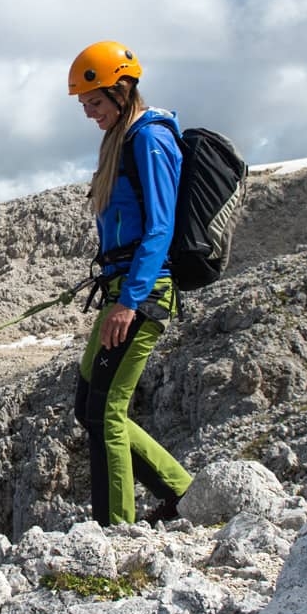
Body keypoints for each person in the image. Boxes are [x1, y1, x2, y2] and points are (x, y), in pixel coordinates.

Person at [67, 40, 192, 526]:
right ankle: (181, 492)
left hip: (141, 293)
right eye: (84, 105)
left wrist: (131, 300)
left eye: (94, 102)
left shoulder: (149, 139)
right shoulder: (123, 137)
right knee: (88, 404)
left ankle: (115, 530)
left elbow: (160, 226)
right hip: (123, 290)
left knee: (106, 413)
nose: (89, 114)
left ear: (121, 91)